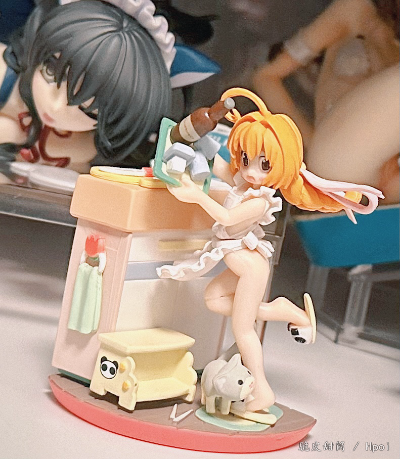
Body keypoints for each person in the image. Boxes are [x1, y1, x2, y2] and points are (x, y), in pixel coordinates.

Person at [157, 88, 383, 412]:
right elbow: (220, 168)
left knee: (243, 329)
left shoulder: (261, 200)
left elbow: (227, 218)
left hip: (250, 268)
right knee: (214, 299)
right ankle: (285, 311)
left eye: (264, 165)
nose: (251, 172)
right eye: (247, 160)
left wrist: (197, 196)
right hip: (239, 264)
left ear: (281, 166)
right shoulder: (243, 181)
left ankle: (263, 391)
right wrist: (193, 146)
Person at [0, 0, 174, 180]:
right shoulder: (5, 79)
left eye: (87, 107)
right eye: (51, 72)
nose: (57, 106)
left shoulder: (83, 147)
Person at [252, 0, 399, 203]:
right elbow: (266, 77)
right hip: (338, 162)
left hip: (382, 185)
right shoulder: (354, 9)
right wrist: (309, 144)